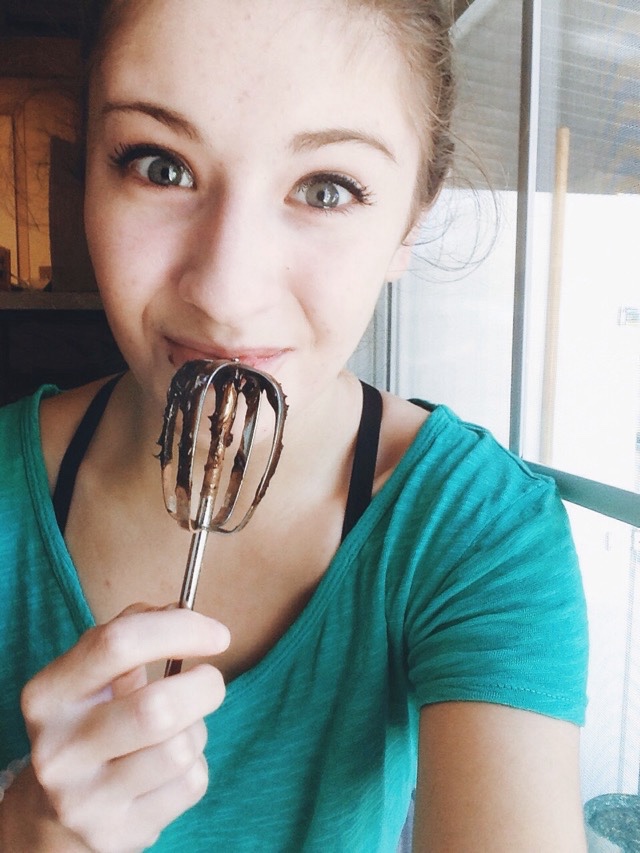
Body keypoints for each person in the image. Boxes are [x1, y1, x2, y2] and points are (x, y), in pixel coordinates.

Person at [0, 0, 588, 850]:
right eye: (160, 166)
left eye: (326, 189)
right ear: (86, 171)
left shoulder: (477, 532)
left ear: (411, 221)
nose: (225, 293)